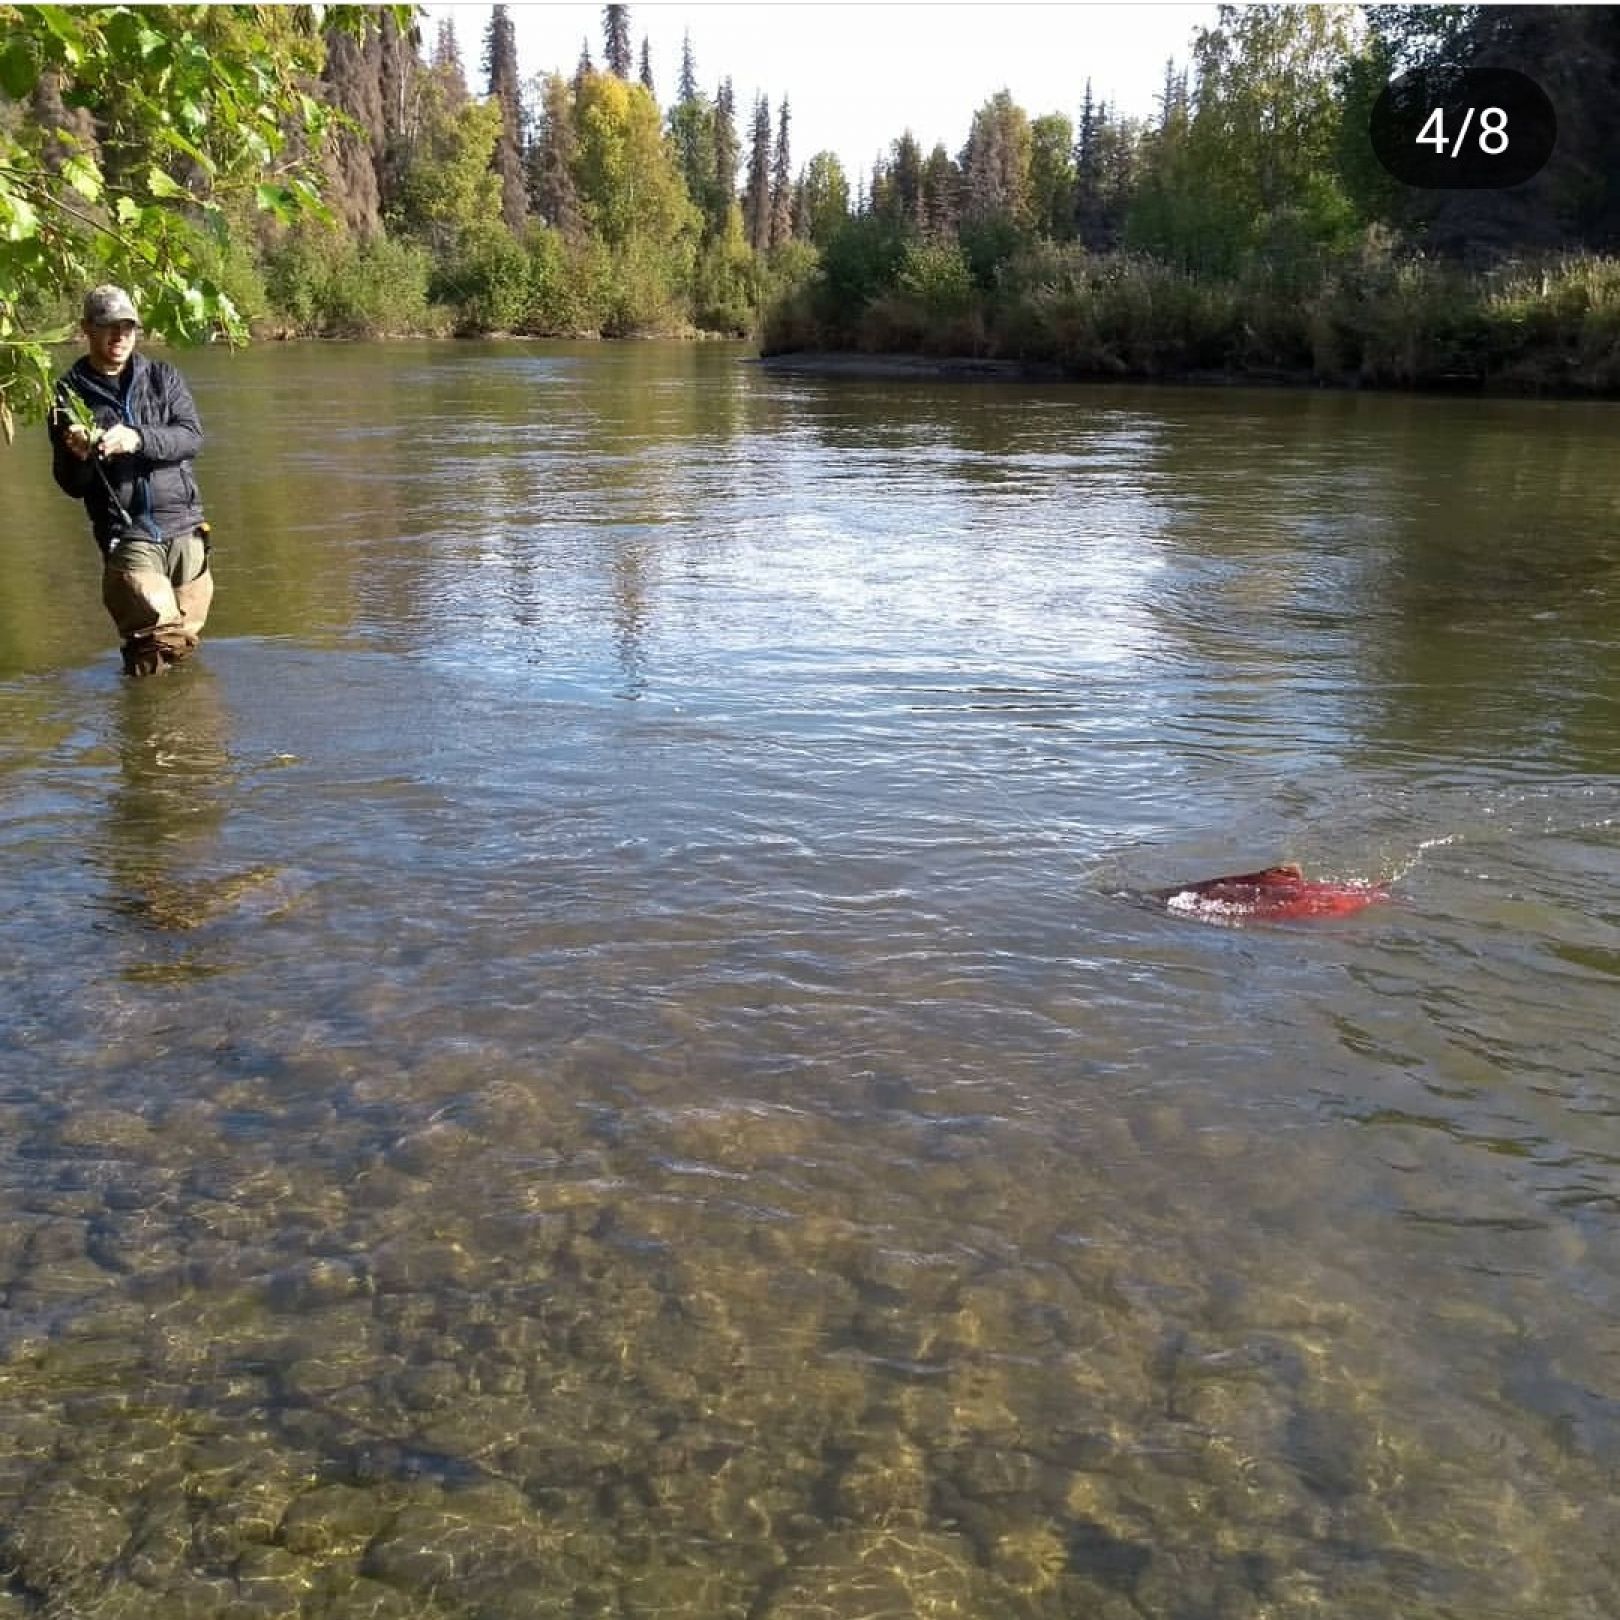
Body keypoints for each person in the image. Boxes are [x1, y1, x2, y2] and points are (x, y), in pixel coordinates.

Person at [48, 285, 214, 677]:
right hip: (127, 531)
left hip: (185, 525)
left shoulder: (163, 377)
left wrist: (136, 437)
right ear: (87, 328)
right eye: (109, 326)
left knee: (183, 643)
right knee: (157, 639)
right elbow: (72, 485)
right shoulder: (68, 395)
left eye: (128, 327)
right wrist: (78, 456)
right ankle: (152, 731)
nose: (120, 336)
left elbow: (191, 437)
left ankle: (165, 728)